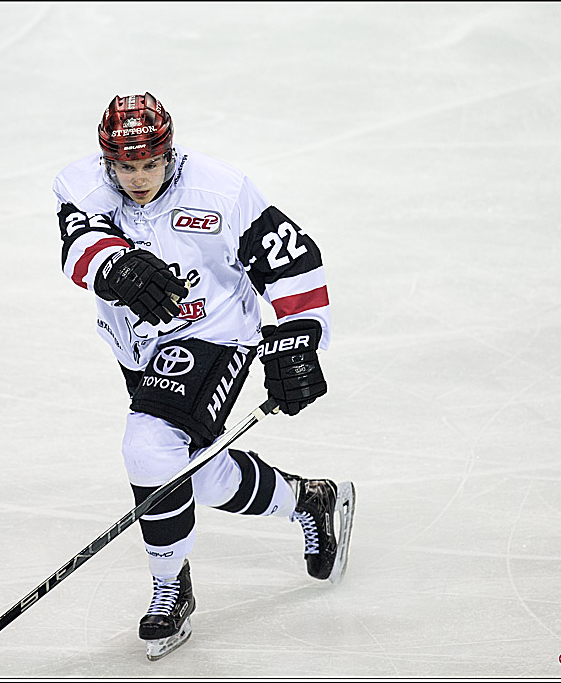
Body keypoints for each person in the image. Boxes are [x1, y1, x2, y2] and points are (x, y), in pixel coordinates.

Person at [52, 92, 354, 660]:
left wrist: (300, 338)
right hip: (138, 347)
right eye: (125, 166)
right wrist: (116, 264)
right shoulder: (81, 185)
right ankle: (307, 500)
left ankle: (170, 588)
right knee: (198, 473)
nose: (139, 178)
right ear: (107, 161)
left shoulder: (221, 190)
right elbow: (78, 247)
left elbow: (291, 260)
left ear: (169, 153)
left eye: (150, 163)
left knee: (149, 448)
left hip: (214, 333)